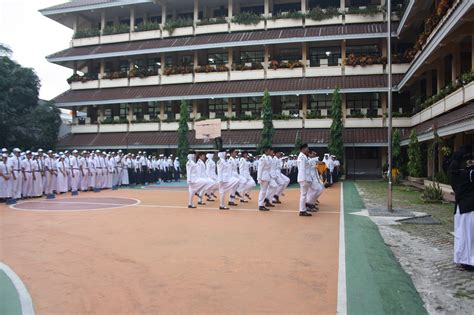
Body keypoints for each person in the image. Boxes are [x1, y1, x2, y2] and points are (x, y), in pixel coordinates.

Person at [449, 145, 474, 271]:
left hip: (461, 208)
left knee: (462, 235)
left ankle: (463, 259)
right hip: (469, 208)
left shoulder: (456, 174)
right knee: (469, 236)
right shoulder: (469, 173)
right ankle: (469, 261)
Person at [297, 144, 312, 217]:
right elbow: (302, 169)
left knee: (304, 194)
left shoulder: (303, 156)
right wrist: (304, 179)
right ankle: (302, 210)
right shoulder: (302, 157)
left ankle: (303, 209)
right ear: (303, 149)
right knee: (303, 195)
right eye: (307, 148)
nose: (308, 150)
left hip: (304, 178)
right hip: (303, 178)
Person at [257, 146, 273, 211]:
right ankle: (260, 205)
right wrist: (259, 178)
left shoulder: (268, 158)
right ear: (266, 151)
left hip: (267, 176)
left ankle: (263, 203)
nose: (270, 152)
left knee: (264, 191)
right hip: (263, 176)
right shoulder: (263, 158)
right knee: (263, 191)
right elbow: (260, 169)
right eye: (269, 150)